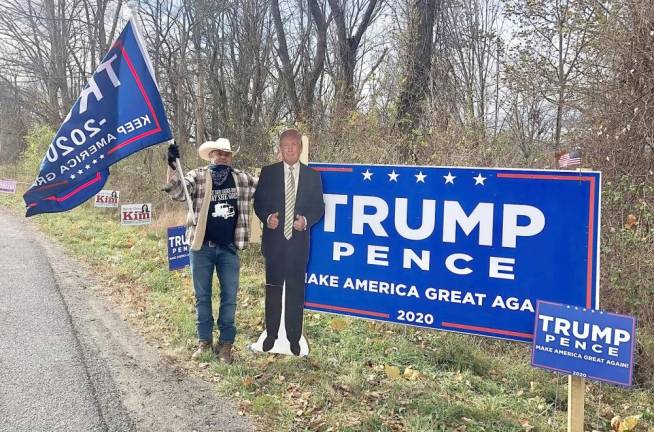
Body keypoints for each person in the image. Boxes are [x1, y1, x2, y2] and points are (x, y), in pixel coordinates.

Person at [164, 139, 257, 363]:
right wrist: (171, 164)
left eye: (226, 153)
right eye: (218, 153)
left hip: (229, 249)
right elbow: (176, 192)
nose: (222, 156)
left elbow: (266, 187)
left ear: (230, 156)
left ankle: (225, 344)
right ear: (211, 155)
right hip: (201, 247)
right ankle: (204, 342)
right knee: (202, 296)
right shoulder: (197, 176)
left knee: (230, 298)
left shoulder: (241, 178)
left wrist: (290, 169)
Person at [254, 128, 324, 356]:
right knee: (273, 290)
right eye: (286, 145)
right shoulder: (268, 173)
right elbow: (259, 203)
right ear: (280, 149)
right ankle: (271, 335)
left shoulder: (313, 176)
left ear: (300, 148)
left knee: (295, 291)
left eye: (294, 144)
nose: (290, 148)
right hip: (274, 244)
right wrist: (267, 218)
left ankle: (294, 338)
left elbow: (319, 208)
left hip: (298, 244)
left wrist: (306, 220)